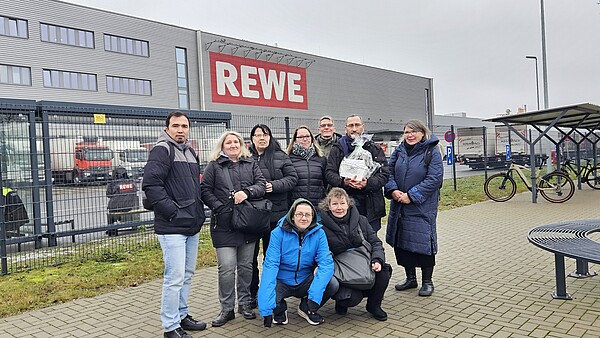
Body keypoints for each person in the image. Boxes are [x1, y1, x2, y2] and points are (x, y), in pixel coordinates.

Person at [142, 111, 207, 338]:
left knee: (187, 274)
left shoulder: (190, 152)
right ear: (167, 128)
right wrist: (172, 212)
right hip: (172, 227)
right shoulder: (162, 150)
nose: (180, 130)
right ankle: (170, 327)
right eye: (176, 126)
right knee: (174, 277)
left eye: (184, 126)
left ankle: (181, 315)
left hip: (191, 224)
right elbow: (151, 184)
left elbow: (195, 189)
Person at [200, 130, 267, 327]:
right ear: (222, 146)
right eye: (228, 142)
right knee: (227, 268)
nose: (233, 145)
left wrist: (247, 192)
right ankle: (226, 308)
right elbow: (205, 190)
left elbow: (261, 185)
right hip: (223, 224)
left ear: (241, 145)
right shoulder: (214, 166)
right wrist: (219, 207)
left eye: (236, 142)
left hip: (247, 223)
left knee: (246, 267)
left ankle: (244, 304)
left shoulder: (250, 163)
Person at [384, 119, 443, 297]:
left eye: (414, 131)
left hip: (421, 207)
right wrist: (393, 190)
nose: (410, 135)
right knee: (402, 242)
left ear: (422, 133)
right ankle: (411, 278)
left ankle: (427, 281)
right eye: (407, 132)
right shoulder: (399, 152)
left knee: (423, 242)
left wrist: (411, 195)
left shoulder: (431, 151)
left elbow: (435, 178)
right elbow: (389, 173)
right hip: (399, 205)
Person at [258, 198, 338, 327]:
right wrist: (266, 308)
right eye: (299, 214)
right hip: (282, 281)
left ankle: (306, 307)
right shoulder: (277, 233)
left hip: (304, 279)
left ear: (313, 217)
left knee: (332, 283)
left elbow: (326, 262)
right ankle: (279, 309)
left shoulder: (319, 233)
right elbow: (270, 265)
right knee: (269, 294)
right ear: (292, 215)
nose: (303, 218)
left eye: (308, 214)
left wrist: (314, 297)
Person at [318, 187, 391, 321]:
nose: (339, 207)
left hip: (362, 263)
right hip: (340, 269)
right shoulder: (321, 226)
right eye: (334, 204)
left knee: (384, 270)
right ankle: (341, 302)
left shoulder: (361, 220)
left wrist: (377, 260)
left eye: (342, 203)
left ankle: (374, 305)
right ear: (328, 206)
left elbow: (375, 243)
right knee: (348, 299)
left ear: (348, 204)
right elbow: (319, 253)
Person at [248, 124, 298, 307]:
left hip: (276, 215)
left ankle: (272, 294)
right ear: (252, 138)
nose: (262, 138)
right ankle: (252, 294)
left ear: (270, 137)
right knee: (249, 259)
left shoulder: (281, 156)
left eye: (265, 134)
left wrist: (274, 186)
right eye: (258, 135)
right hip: (252, 215)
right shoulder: (246, 157)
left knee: (273, 257)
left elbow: (292, 179)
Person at [325, 114, 389, 232]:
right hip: (344, 204)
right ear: (345, 129)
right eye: (350, 125)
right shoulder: (337, 148)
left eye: (357, 125)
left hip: (370, 205)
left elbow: (384, 175)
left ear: (363, 127)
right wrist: (343, 182)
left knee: (370, 241)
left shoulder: (374, 149)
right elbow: (329, 173)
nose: (354, 129)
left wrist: (367, 183)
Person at [286, 126, 328, 206]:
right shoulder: (288, 158)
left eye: (307, 136)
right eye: (301, 137)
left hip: (317, 205)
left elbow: (325, 182)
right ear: (295, 140)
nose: (305, 139)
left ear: (311, 138)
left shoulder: (321, 159)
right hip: (295, 205)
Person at [106, 166, 139, 236]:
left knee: (110, 212)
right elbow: (135, 191)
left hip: (116, 207)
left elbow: (108, 195)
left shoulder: (113, 183)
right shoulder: (131, 182)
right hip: (130, 206)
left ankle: (112, 230)